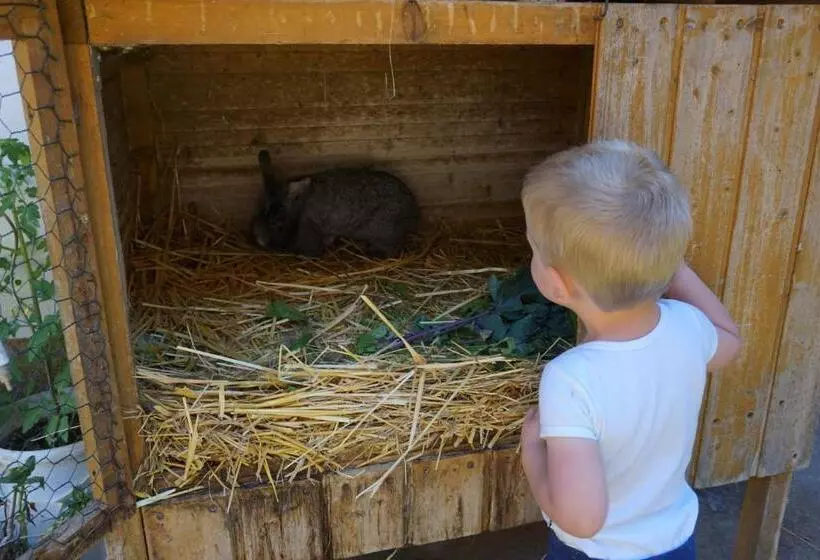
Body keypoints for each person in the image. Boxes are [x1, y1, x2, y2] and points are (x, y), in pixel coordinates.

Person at [519, 140, 742, 560]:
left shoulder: (570, 378)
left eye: (533, 249)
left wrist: (532, 452)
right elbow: (729, 342)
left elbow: (582, 520)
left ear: (557, 283)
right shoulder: (688, 327)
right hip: (675, 544)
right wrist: (673, 267)